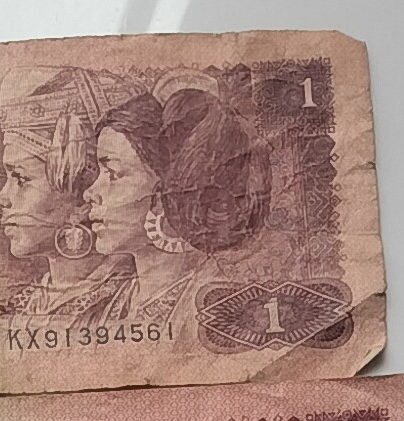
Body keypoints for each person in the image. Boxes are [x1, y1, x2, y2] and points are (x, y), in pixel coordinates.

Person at [82, 80, 271, 324]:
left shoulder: (214, 309)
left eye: (113, 173)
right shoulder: (105, 309)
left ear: (168, 190)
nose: (90, 193)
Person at [0, 66, 137, 325]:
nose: (1, 199)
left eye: (20, 178)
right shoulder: (20, 308)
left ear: (82, 196)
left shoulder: (132, 303)